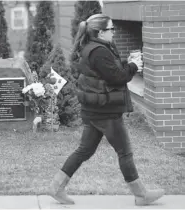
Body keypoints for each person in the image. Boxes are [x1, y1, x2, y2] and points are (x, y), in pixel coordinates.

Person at [48, 14, 164, 206]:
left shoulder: (94, 48)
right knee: (124, 152)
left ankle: (56, 186)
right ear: (101, 32)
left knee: (84, 151)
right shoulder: (99, 51)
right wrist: (134, 66)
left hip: (95, 110)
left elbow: (110, 72)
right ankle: (141, 195)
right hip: (106, 112)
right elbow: (117, 78)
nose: (114, 32)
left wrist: (128, 62)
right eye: (111, 29)